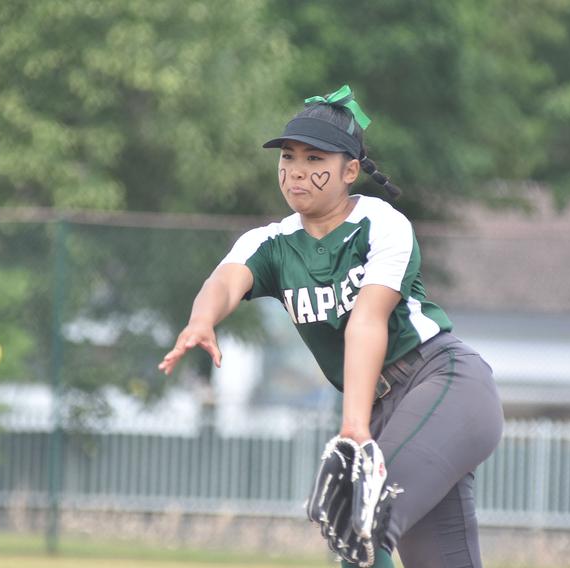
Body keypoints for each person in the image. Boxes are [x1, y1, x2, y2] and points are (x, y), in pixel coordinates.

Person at [159, 84, 503, 568]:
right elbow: (224, 280)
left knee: (361, 521)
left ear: (350, 170)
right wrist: (201, 319)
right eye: (289, 156)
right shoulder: (274, 243)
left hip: (444, 383)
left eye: (315, 157)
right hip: (388, 407)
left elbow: (367, 322)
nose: (297, 169)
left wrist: (354, 427)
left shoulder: (380, 223)